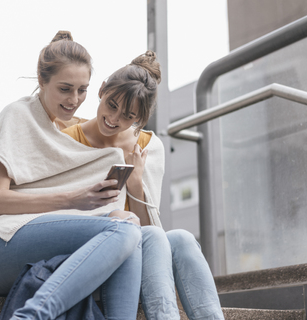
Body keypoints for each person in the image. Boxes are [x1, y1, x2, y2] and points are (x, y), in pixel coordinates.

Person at [0, 31, 142, 320]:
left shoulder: (64, 134)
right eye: (65, 88)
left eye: (82, 89)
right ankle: (32, 316)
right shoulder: (18, 115)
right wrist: (75, 199)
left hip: (34, 247)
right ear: (42, 80)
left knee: (134, 234)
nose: (75, 100)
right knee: (123, 231)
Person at [62, 51, 225, 320]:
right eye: (111, 105)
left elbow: (152, 228)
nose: (114, 119)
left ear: (140, 119)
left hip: (143, 255)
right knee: (151, 237)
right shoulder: (69, 139)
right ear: (101, 90)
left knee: (181, 238)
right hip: (96, 252)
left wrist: (136, 185)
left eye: (127, 116)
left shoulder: (148, 146)